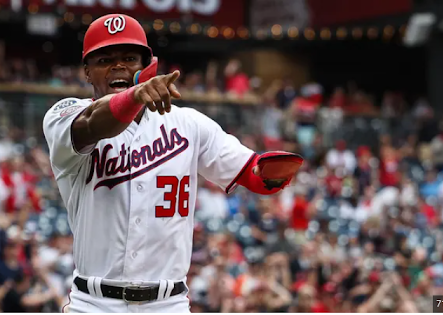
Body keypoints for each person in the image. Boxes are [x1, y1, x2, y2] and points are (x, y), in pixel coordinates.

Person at [42, 14, 303, 313]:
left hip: (169, 304)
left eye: (129, 57)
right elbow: (92, 124)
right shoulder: (64, 115)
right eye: (104, 60)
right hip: (93, 303)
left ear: (147, 66)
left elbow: (252, 173)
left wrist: (270, 175)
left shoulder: (188, 123)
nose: (118, 66)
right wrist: (134, 96)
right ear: (87, 72)